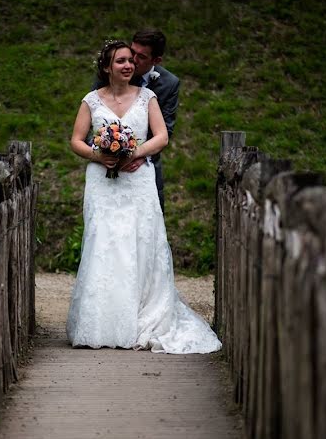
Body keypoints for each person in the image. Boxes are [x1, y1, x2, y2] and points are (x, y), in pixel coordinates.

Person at [66, 40, 221, 354]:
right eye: (120, 61)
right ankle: (101, 323)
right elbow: (76, 140)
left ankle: (142, 318)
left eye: (130, 61)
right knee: (103, 242)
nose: (127, 65)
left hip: (138, 181)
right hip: (103, 183)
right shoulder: (91, 101)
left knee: (140, 241)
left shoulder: (148, 97)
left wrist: (135, 151)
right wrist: (99, 156)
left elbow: (161, 136)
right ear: (107, 67)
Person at [92, 29, 179, 213]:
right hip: (106, 168)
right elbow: (95, 115)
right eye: (132, 52)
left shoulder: (169, 84)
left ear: (156, 61)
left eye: (141, 57)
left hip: (142, 168)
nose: (132, 61)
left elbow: (165, 130)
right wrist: (103, 151)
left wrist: (139, 155)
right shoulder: (112, 73)